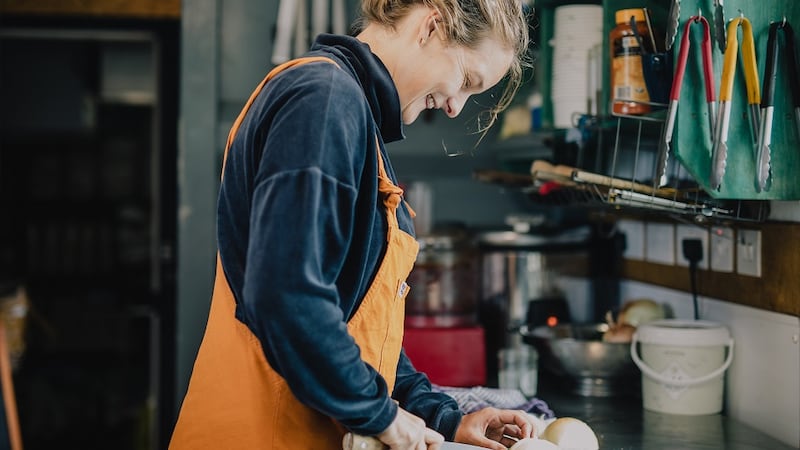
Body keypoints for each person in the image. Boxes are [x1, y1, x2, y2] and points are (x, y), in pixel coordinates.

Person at [170, 0, 533, 448]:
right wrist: (377, 415)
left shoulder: (352, 115)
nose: (457, 106)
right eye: (467, 80)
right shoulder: (321, 99)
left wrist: (444, 418)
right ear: (431, 26)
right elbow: (288, 294)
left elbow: (357, 328)